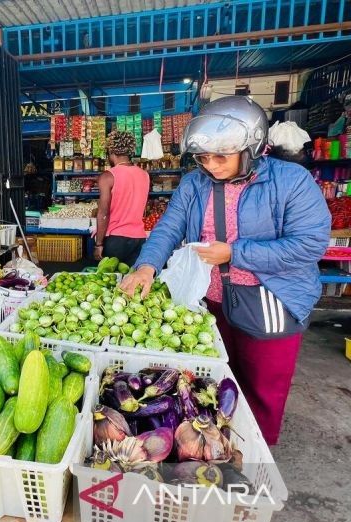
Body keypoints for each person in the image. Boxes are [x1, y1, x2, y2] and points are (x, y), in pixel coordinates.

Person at [120, 96, 331, 445]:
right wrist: (146, 267)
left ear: (252, 148)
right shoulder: (194, 183)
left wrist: (233, 253)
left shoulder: (291, 181)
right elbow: (168, 228)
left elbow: (309, 244)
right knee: (217, 384)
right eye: (203, 157)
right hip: (211, 302)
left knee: (262, 388)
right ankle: (219, 450)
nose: (211, 165)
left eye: (221, 156)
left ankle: (255, 455)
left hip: (270, 301)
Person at [94, 130, 150, 265]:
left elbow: (103, 213)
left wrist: (98, 244)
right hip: (139, 239)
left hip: (116, 239)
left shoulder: (108, 176)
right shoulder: (144, 175)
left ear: (111, 151)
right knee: (132, 282)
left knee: (111, 281)